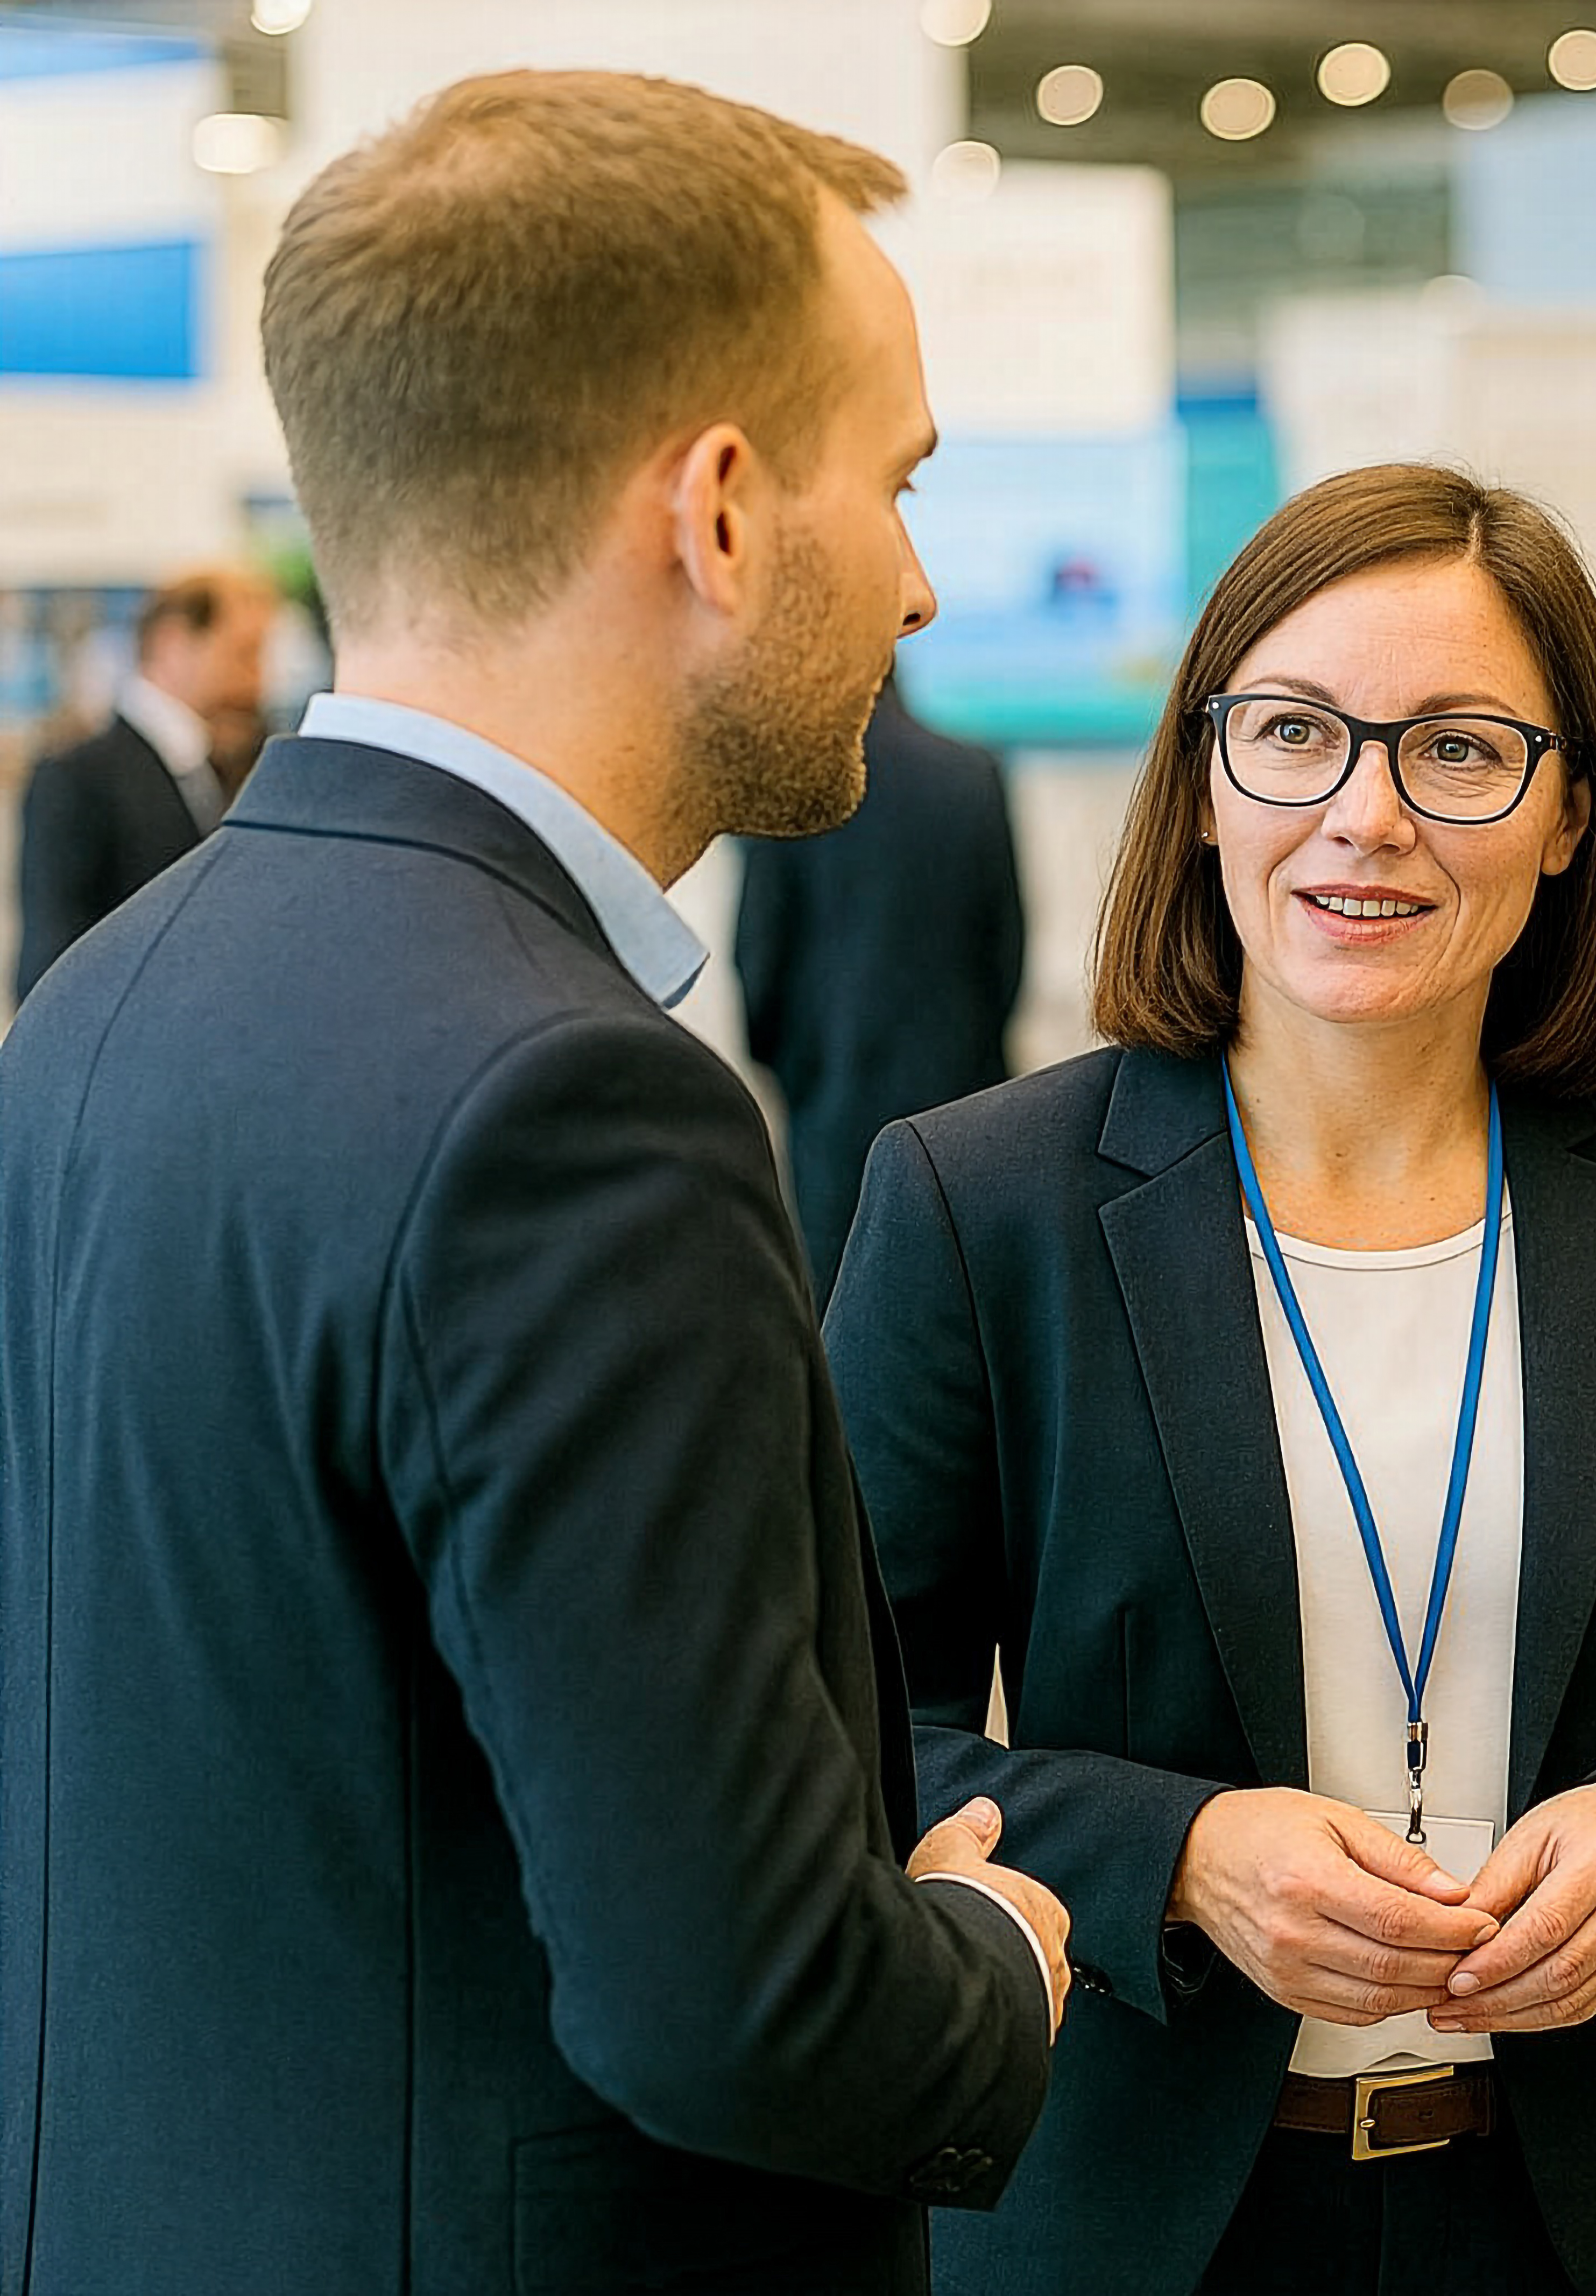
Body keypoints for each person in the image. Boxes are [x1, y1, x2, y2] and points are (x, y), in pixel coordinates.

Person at [0, 72, 1069, 2295]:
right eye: (898, 481)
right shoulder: (574, 1110)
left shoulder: (104, 1001)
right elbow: (744, 2001)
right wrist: (992, 1950)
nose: (923, 576)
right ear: (718, 510)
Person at [823, 462, 1596, 2296]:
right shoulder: (980, 1203)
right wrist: (1183, 1851)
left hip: (1573, 2215)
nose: (1363, 816)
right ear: (1208, 778)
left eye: (1458, 749)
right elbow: (839, 1731)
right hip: (1135, 2216)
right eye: (1296, 732)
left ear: (1567, 816)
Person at [738, 674, 1028, 1301]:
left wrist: (790, 1071)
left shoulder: (792, 783)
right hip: (963, 1095)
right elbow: (1005, 947)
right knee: (959, 1300)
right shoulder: (969, 773)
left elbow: (760, 952)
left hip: (832, 1100)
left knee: (840, 1305)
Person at [12, 562, 277, 1001]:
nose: (258, 680)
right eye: (244, 654)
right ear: (173, 644)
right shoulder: (77, 777)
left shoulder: (237, 763)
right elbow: (48, 972)